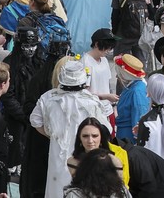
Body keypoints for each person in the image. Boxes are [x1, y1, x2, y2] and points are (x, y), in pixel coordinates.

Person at [31, 58, 111, 198]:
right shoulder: (91, 101)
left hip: (58, 155)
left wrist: (53, 136)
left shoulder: (48, 98)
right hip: (85, 153)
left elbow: (35, 121)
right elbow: (106, 129)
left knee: (58, 189)